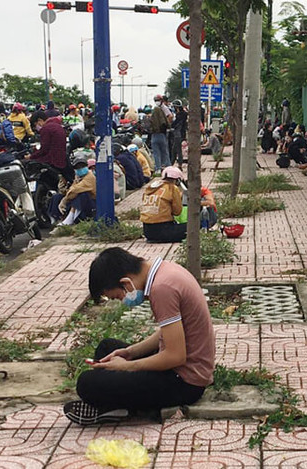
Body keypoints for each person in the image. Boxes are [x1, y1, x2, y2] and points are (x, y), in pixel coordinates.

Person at [63, 247, 215, 425]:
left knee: (86, 383)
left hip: (185, 382)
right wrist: (130, 352)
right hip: (182, 368)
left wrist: (127, 367)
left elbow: (176, 356)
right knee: (108, 347)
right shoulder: (166, 271)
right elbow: (167, 333)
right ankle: (123, 403)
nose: (123, 301)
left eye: (118, 297)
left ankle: (121, 408)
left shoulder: (162, 289)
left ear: (126, 283)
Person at [140, 167, 186, 243]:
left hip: (147, 231)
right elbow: (177, 212)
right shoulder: (172, 188)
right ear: (177, 180)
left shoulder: (151, 187)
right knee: (193, 226)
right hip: (164, 230)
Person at [49, 153, 96, 226]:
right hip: (75, 199)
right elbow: (71, 190)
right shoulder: (78, 177)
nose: (80, 169)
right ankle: (56, 218)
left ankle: (70, 218)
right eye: (78, 167)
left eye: (82, 166)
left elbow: (75, 190)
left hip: (90, 203)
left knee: (82, 195)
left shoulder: (90, 177)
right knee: (57, 196)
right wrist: (62, 189)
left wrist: (64, 200)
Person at [27, 109, 72, 182]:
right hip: (61, 159)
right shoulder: (56, 125)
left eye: (36, 125)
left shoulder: (46, 129)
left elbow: (44, 150)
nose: (37, 128)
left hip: (53, 161)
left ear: (40, 120)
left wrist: (31, 156)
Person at [150, 95, 170, 171]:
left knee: (156, 154)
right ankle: (168, 168)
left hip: (154, 135)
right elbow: (165, 123)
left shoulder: (160, 110)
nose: (157, 102)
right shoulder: (160, 111)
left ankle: (158, 169)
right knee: (165, 152)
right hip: (161, 134)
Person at [171, 99, 187, 166]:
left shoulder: (180, 115)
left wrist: (171, 125)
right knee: (174, 150)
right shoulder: (183, 114)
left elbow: (175, 124)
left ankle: (179, 164)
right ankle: (171, 163)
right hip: (180, 134)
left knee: (178, 150)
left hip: (178, 134)